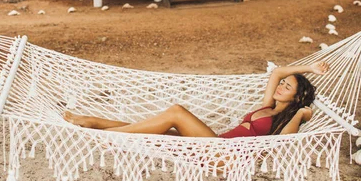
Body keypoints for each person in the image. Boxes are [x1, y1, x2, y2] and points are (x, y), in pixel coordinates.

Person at [64, 61, 329, 138]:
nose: (281, 86)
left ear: (297, 97)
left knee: (177, 112)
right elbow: (279, 71)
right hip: (215, 142)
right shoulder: (266, 106)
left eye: (287, 87)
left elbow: (286, 141)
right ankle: (96, 122)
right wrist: (309, 69)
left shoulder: (284, 120)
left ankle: (112, 136)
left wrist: (300, 113)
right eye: (282, 85)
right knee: (161, 131)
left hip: (222, 155)